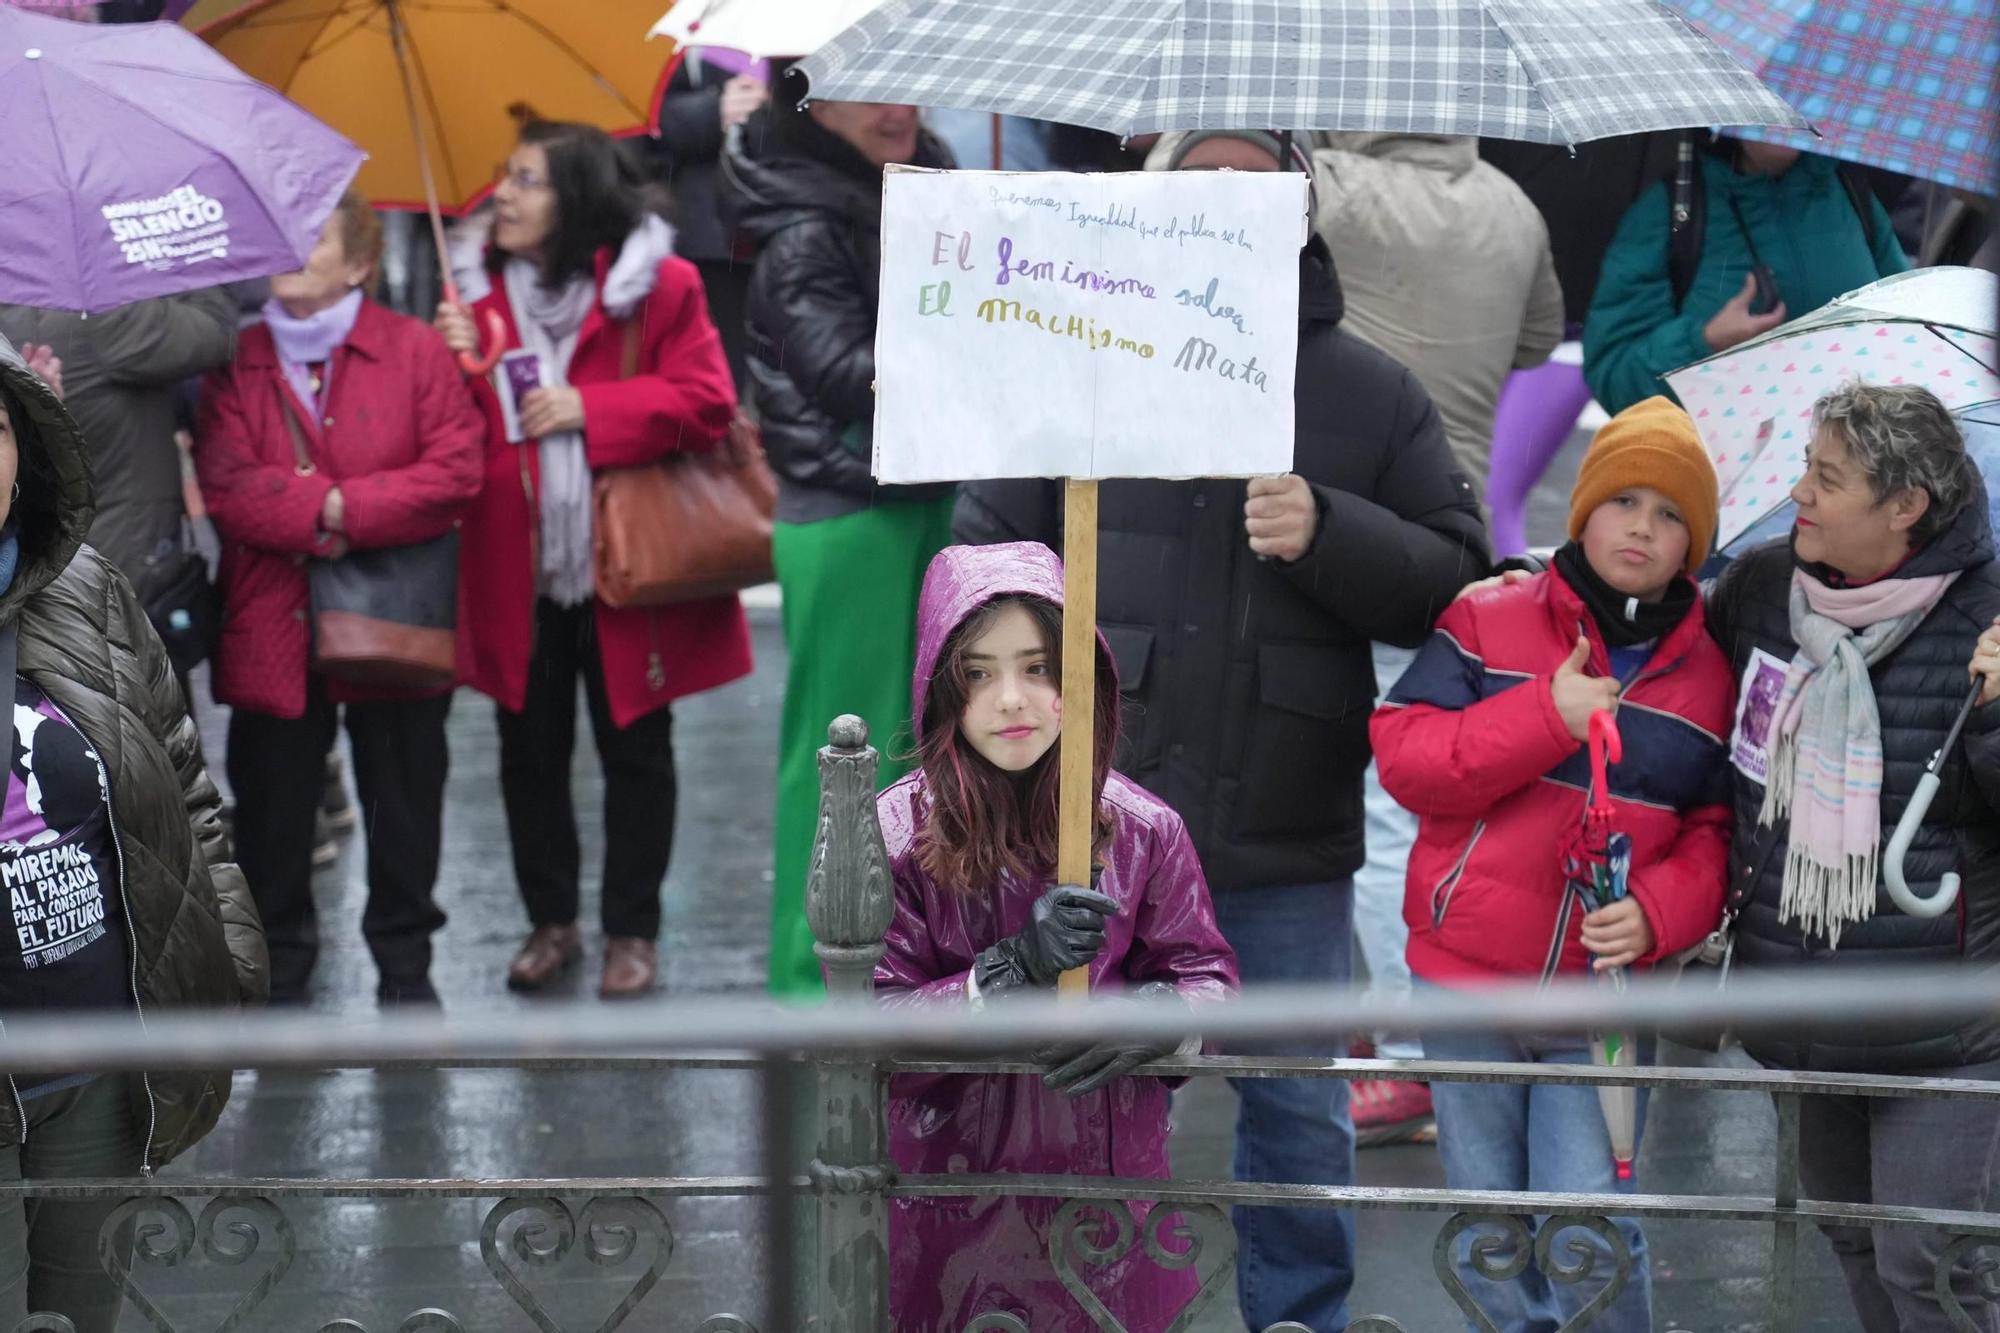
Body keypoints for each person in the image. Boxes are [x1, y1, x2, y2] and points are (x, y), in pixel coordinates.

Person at [956, 129, 1489, 1333]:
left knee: (1294, 1100)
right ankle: (1080, 1305)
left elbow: (1454, 576)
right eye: (1202, 186)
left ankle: (1299, 1315)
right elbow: (978, 554)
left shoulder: (1365, 391)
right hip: (1094, 809)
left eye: (1255, 190)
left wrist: (1329, 527)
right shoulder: (1077, 361)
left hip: (1282, 818)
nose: (1226, 209)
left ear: (1298, 212)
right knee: (1086, 1089)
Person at [1371, 397, 1733, 1332]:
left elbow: (1715, 833)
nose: (1642, 529)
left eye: (1670, 514)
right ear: (1584, 511)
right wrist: (1545, 716)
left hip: (1601, 1004)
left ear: (1694, 543)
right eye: (1625, 503)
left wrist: (1657, 910)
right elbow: (1406, 758)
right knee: (1489, 1236)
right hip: (1466, 988)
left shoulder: (1709, 676)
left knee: (1588, 1235)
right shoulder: (1486, 617)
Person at [875, 541, 1238, 1332]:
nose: (1012, 698)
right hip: (948, 1214)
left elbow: (1207, 978)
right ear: (942, 686)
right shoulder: (896, 833)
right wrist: (1005, 972)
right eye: (978, 672)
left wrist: (1156, 1017)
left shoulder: (1145, 830)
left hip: (1108, 1214)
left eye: (1039, 667)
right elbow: (874, 1033)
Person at [1707, 383, 2000, 1331]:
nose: (1798, 492)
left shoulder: (1987, 622)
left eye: (1827, 478)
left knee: (1932, 1262)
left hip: (1941, 1027)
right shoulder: (1759, 590)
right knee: (1853, 1237)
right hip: (1802, 1001)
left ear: (1904, 505)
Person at [436, 120, 749, 999]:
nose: (503, 193)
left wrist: (588, 406)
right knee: (526, 753)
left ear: (576, 198)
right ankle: (551, 921)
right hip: (515, 570)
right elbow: (458, 439)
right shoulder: (474, 302)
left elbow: (709, 405)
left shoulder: (665, 286)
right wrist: (452, 363)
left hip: (625, 572)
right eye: (506, 176)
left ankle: (632, 930)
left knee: (637, 754)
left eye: (527, 180)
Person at [1298, 128, 1564, 1144]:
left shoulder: (1328, 185)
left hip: (1344, 528)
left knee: (1375, 808)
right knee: (1429, 795)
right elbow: (1537, 342)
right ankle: (1408, 1027)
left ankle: (1408, 1052)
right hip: (1459, 538)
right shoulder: (1509, 201)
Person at [0, 335, 265, 1332]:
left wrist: (227, 959)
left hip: (97, 1063)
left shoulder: (88, 590)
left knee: (83, 1317)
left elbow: (184, 783)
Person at [196, 191, 484, 1007]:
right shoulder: (237, 355)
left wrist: (334, 508)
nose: (292, 251)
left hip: (393, 619)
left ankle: (405, 970)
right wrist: (335, 509)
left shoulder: (415, 349)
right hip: (271, 617)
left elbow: (456, 471)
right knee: (275, 812)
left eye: (313, 238)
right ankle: (281, 968)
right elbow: (227, 484)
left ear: (361, 262)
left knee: (403, 804)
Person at [722, 81, 956, 999]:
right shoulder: (805, 220)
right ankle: (814, 991)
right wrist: (978, 344)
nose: (897, 108)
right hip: (853, 510)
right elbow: (841, 370)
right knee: (845, 765)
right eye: (867, 94)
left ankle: (888, 976)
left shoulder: (914, 181)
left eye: (906, 85)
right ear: (813, 103)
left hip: (913, 492)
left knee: (910, 759)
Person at [0, 283, 236, 698]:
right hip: (121, 568)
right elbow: (215, 330)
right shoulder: (104, 314)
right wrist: (184, 258)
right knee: (143, 715)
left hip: (50, 566)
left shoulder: (15, 307)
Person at [1584, 140, 1907, 417]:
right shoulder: (1671, 209)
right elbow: (1615, 378)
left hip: (1850, 471)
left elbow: (1913, 318)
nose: (1783, 108)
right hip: (1724, 476)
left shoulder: (1845, 187)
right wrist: (1703, 342)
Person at [650, 51, 769, 387]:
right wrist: (714, 109)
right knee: (722, 373)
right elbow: (649, 118)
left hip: (789, 225)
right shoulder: (681, 27)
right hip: (712, 235)